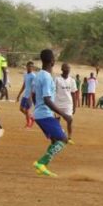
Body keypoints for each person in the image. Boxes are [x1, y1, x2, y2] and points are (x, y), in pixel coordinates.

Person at [31, 49, 71, 178]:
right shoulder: (47, 77)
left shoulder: (38, 75)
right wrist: (64, 115)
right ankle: (41, 163)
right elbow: (47, 100)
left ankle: (42, 167)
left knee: (54, 141)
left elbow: (34, 95)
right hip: (44, 114)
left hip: (41, 114)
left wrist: (39, 108)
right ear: (52, 61)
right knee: (63, 140)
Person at [55, 63, 76, 141]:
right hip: (57, 103)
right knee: (57, 121)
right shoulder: (57, 79)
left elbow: (73, 93)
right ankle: (59, 135)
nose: (67, 70)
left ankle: (69, 137)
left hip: (68, 104)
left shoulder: (72, 80)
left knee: (70, 120)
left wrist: (74, 106)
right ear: (62, 69)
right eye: (66, 68)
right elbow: (53, 91)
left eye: (69, 68)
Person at [16, 61, 36, 128]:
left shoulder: (33, 76)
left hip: (30, 96)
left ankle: (28, 123)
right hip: (25, 95)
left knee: (27, 110)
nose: (31, 68)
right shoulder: (25, 75)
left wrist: (31, 96)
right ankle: (32, 118)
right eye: (29, 66)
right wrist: (19, 94)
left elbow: (33, 87)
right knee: (21, 109)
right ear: (26, 66)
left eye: (32, 66)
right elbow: (24, 85)